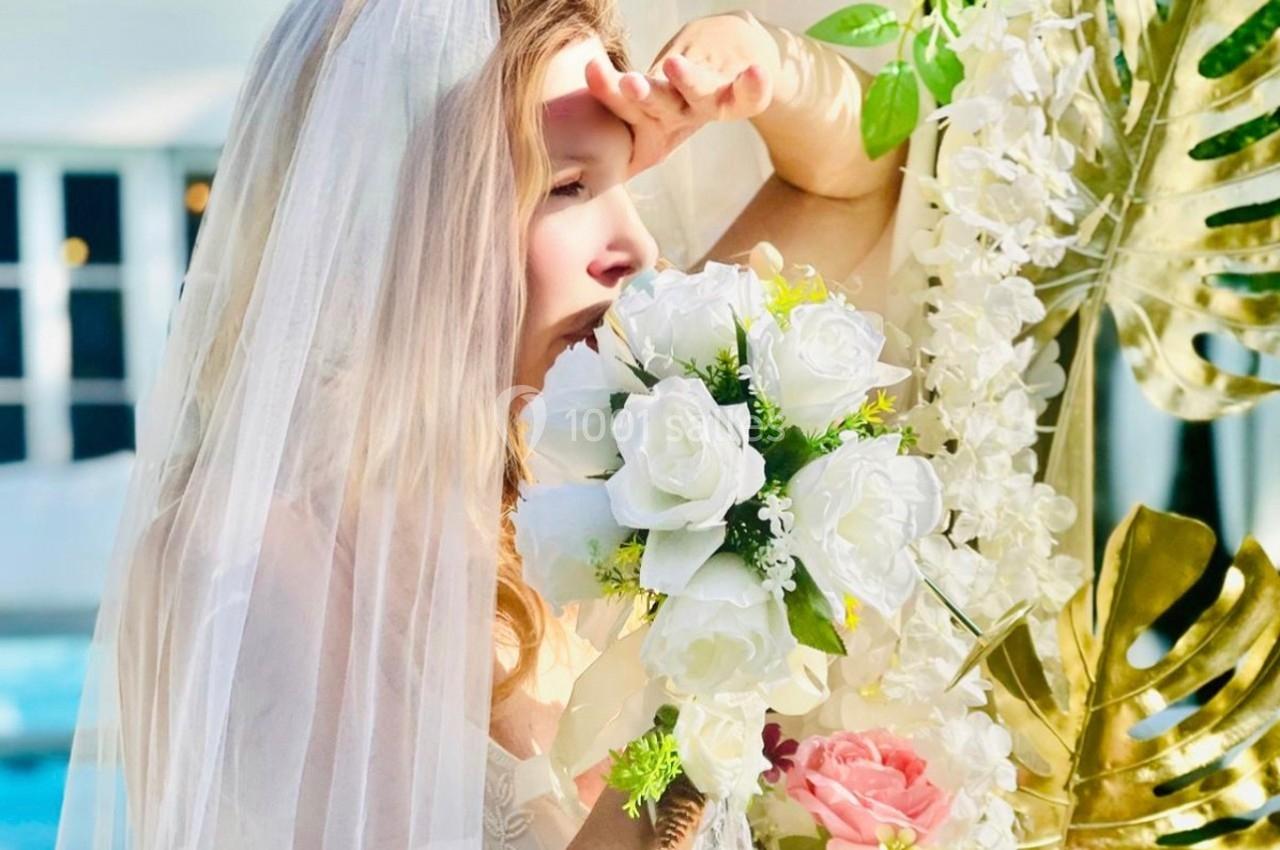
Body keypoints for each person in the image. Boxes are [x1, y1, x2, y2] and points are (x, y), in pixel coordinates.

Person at [54, 0, 907, 848]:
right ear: (394, 216)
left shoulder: (610, 472)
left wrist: (755, 61)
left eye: (627, 182)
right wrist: (713, 674)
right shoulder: (247, 556)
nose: (638, 249)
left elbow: (847, 181)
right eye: (568, 187)